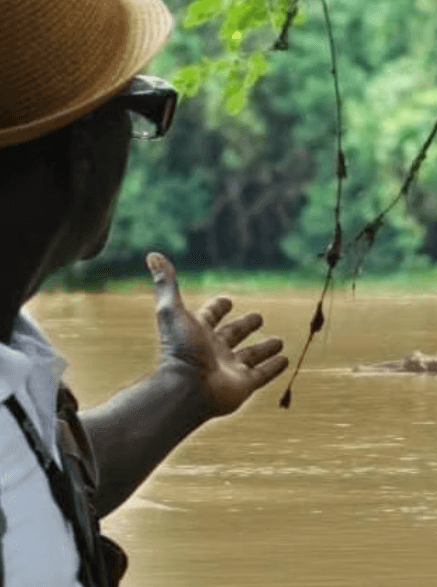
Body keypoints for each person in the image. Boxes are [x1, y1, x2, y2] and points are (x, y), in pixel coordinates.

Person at [0, 0, 290, 584]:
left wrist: (182, 387)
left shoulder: (14, 354)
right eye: (138, 109)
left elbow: (40, 480)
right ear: (85, 150)